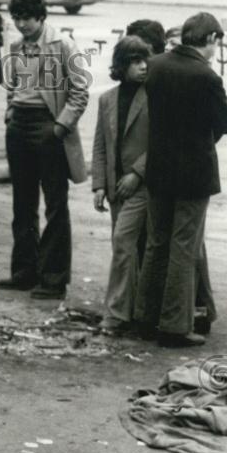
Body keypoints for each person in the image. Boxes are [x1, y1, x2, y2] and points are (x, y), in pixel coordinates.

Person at [135, 12, 227, 347]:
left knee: (156, 243)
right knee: (184, 247)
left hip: (159, 169)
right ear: (210, 39)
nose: (215, 50)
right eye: (216, 44)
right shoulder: (206, 77)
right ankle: (175, 325)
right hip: (194, 172)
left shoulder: (158, 65)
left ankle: (146, 317)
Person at [0, 0, 89, 300]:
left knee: (54, 205)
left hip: (49, 126)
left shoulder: (62, 44)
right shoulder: (15, 46)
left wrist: (60, 127)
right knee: (22, 204)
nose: (22, 24)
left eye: (27, 18)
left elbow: (80, 91)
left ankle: (53, 278)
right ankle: (24, 272)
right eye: (17, 18)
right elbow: (12, 85)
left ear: (41, 17)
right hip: (19, 125)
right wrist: (11, 111)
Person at [92, 37, 152, 335]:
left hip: (142, 185)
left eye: (145, 60)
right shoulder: (107, 99)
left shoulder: (153, 96)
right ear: (121, 65)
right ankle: (136, 312)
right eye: (135, 61)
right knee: (129, 246)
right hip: (116, 187)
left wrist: (137, 174)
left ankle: (115, 314)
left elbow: (160, 142)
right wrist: (99, 185)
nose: (142, 66)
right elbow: (101, 144)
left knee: (123, 241)